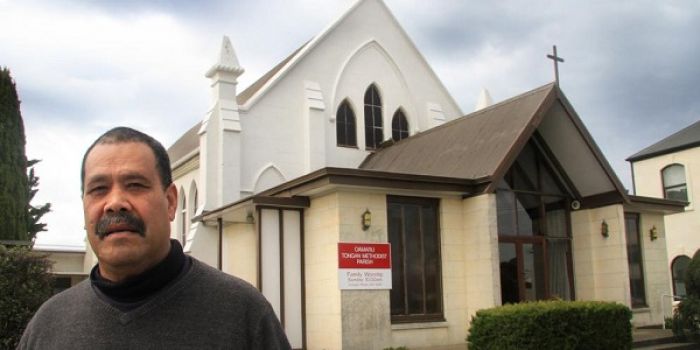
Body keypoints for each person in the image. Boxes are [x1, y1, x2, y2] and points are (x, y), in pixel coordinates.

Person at [19, 127, 291, 349]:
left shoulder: (242, 314)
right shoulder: (48, 326)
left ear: (171, 202)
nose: (115, 203)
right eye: (99, 189)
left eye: (135, 185)